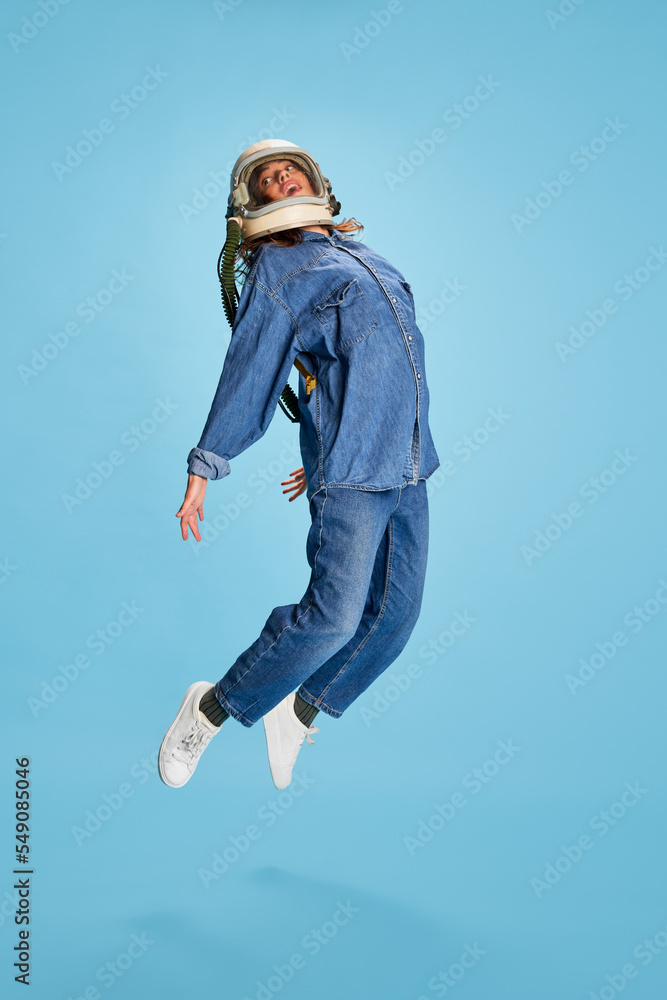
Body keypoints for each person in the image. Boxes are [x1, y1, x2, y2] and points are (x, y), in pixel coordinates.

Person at [158, 139, 441, 791]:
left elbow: (370, 371)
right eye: (266, 178)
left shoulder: (364, 255)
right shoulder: (278, 271)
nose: (280, 178)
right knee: (333, 617)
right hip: (353, 476)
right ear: (252, 204)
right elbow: (252, 371)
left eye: (289, 170)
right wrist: (207, 464)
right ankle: (211, 708)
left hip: (406, 463)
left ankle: (299, 707)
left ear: (314, 181)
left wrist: (320, 446)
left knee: (395, 618)